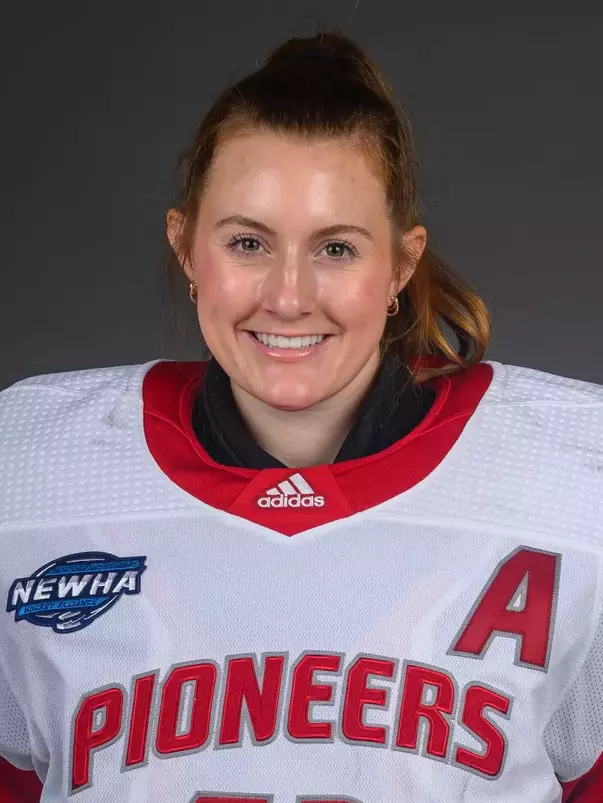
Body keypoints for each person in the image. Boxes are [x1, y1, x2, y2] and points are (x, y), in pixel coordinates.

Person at [0, 29, 601, 803]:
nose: (287, 297)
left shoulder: (572, 474)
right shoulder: (28, 472)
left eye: (336, 249)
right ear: (186, 249)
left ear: (401, 263)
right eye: (248, 242)